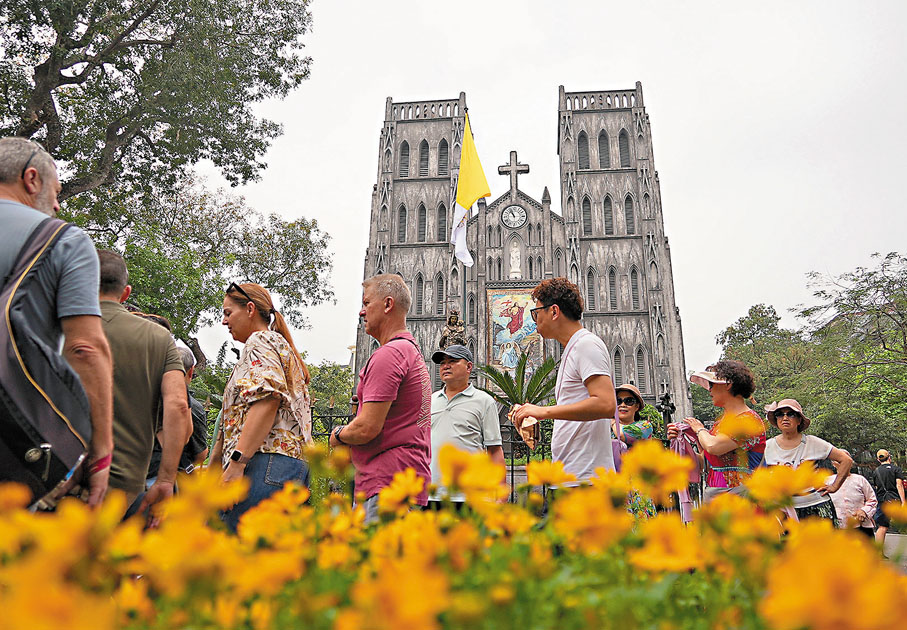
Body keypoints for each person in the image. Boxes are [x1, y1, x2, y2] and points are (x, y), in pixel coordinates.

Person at [0, 137, 113, 507]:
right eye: (56, 191)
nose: (57, 204)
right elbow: (85, 348)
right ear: (31, 178)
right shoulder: (63, 241)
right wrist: (101, 451)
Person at [210, 282, 313, 532]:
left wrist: (237, 463)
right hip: (283, 466)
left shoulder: (260, 341)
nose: (224, 321)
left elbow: (267, 400)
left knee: (243, 550)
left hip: (263, 463)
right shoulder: (277, 344)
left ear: (250, 309)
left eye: (228, 313)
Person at [328, 274, 431, 523]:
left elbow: (366, 428)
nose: (362, 312)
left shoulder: (390, 354)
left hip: (385, 484)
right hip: (406, 480)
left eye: (366, 303)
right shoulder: (410, 352)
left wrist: (338, 434)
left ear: (387, 305)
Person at [97, 250, 191, 519]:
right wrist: (166, 479)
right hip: (124, 479)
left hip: (54, 469)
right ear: (125, 293)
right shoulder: (159, 338)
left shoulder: (54, 324)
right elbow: (178, 405)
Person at [511, 277, 617, 482]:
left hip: (588, 480)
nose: (534, 321)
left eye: (536, 313)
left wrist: (543, 412)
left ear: (554, 312)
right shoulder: (573, 349)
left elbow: (605, 404)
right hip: (572, 477)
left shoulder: (586, 345)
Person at [667, 361, 765, 502]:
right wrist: (681, 443)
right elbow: (704, 464)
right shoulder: (719, 424)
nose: (709, 390)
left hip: (742, 502)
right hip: (715, 498)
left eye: (712, 384)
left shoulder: (749, 421)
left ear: (728, 384)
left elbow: (713, 446)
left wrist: (699, 429)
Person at [428, 344, 504, 507]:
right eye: (442, 363)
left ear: (469, 367)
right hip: (432, 494)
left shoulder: (484, 401)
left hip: (470, 495)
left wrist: (501, 495)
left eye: (452, 361)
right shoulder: (430, 401)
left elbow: (494, 449)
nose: (446, 366)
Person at [763, 398, 852, 525]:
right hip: (782, 510)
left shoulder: (813, 442)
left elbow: (846, 460)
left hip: (816, 507)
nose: (785, 418)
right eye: (780, 414)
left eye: (791, 414)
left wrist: (834, 486)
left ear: (799, 420)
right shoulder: (767, 446)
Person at [825, 450, 877, 539]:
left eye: (847, 461)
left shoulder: (860, 480)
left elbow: (872, 499)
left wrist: (864, 511)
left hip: (860, 526)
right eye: (840, 461)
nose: (844, 464)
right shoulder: (827, 481)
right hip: (837, 527)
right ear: (834, 464)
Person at [871, 449, 906, 544]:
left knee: (882, 526)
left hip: (882, 500)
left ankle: (879, 550)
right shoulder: (896, 469)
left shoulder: (876, 471)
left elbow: (876, 487)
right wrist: (903, 501)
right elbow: (899, 485)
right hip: (894, 499)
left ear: (878, 460)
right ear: (889, 457)